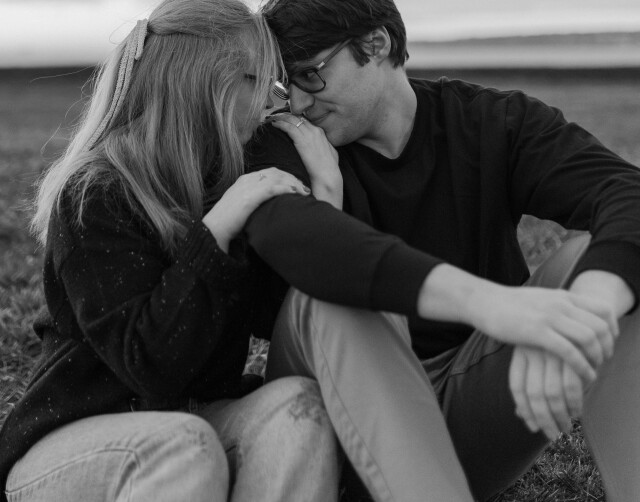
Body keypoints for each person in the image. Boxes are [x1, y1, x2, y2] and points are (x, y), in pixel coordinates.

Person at [238, 0, 640, 500]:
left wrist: (591, 311)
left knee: (606, 263)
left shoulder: (490, 120)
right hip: (332, 424)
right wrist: (327, 199)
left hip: (469, 406)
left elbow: (626, 193)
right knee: (330, 298)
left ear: (376, 44)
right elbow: (285, 234)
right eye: (287, 84)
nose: (298, 103)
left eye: (310, 75)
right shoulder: (288, 141)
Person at [0, 0, 342, 500]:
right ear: (206, 85)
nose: (274, 103)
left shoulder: (225, 181)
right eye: (260, 81)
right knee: (184, 444)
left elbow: (279, 318)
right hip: (76, 441)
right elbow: (151, 365)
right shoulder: (97, 194)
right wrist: (217, 230)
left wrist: (326, 197)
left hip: (194, 423)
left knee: (299, 408)